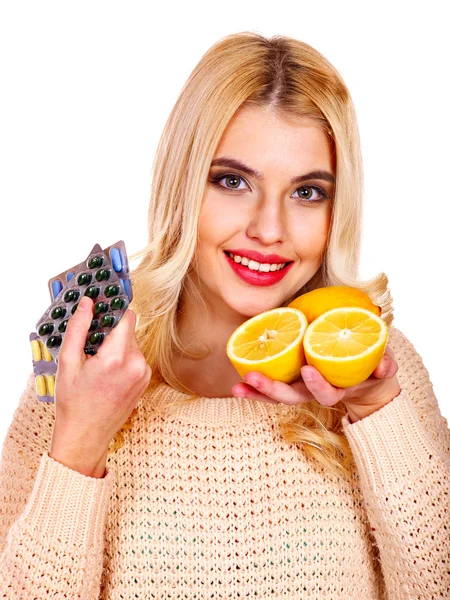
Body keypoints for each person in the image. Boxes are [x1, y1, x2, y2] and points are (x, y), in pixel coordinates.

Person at [0, 31, 449, 599]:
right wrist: (79, 444)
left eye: (308, 192)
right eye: (232, 182)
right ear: (182, 184)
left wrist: (376, 412)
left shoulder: (376, 366)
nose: (268, 229)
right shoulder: (81, 371)